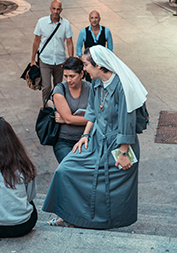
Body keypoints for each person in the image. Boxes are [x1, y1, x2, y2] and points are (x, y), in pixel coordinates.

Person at [42, 45, 148, 229]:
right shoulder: (98, 83)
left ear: (98, 65)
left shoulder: (122, 87)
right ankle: (69, 216)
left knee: (109, 187)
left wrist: (123, 154)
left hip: (119, 146)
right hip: (96, 140)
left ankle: (87, 221)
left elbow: (126, 122)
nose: (83, 69)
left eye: (85, 65)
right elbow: (92, 110)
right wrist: (85, 135)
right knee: (66, 170)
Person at [31, 0, 74, 104]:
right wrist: (32, 59)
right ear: (50, 9)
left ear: (61, 10)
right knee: (46, 87)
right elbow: (36, 40)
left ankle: (57, 107)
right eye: (54, 9)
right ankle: (46, 107)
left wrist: (70, 59)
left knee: (58, 86)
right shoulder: (42, 22)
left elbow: (69, 42)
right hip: (45, 60)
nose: (55, 11)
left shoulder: (66, 24)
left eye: (58, 9)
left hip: (60, 61)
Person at [52, 57, 91, 163]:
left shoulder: (91, 89)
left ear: (81, 74)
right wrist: (90, 119)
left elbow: (99, 115)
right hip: (64, 141)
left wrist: (66, 119)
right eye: (66, 76)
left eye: (72, 76)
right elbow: (69, 119)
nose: (68, 80)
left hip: (87, 139)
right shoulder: (60, 90)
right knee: (70, 167)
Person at [76, 10, 113, 82]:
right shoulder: (84, 32)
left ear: (99, 19)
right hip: (89, 63)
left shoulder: (106, 31)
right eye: (92, 18)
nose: (94, 20)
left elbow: (110, 49)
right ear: (89, 19)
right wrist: (82, 61)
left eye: (96, 18)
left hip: (101, 63)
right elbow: (78, 47)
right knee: (90, 83)